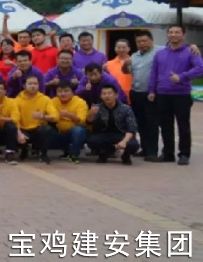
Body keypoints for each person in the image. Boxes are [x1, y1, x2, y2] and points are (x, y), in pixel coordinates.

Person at [148, 24, 203, 165]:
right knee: (165, 125)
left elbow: (200, 68)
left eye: (177, 32)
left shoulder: (191, 51)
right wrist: (152, 90)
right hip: (162, 94)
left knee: (183, 125)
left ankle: (184, 154)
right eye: (171, 32)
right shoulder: (160, 54)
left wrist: (182, 77)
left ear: (183, 35)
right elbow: (154, 73)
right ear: (167, 35)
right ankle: (168, 153)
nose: (173, 35)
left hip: (181, 94)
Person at [125, 30, 160, 160]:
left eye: (144, 41)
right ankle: (145, 149)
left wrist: (192, 46)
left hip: (151, 93)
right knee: (140, 123)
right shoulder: (134, 56)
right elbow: (126, 71)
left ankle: (152, 152)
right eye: (139, 42)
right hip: (136, 93)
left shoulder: (160, 51)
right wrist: (125, 65)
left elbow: (176, 46)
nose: (142, 44)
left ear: (151, 40)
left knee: (152, 123)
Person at [86, 85, 140, 165]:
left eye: (109, 93)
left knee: (133, 145)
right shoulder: (97, 107)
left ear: (116, 95)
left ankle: (125, 155)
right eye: (104, 94)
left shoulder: (126, 108)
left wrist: (124, 141)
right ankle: (104, 152)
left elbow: (132, 127)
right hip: (104, 134)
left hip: (122, 134)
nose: (107, 96)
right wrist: (91, 114)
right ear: (101, 96)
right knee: (92, 141)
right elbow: (89, 122)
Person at [13, 75, 56, 164]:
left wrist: (43, 116)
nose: (33, 86)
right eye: (30, 84)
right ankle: (24, 151)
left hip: (37, 129)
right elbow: (15, 118)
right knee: (11, 129)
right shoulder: (17, 100)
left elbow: (55, 116)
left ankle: (43, 154)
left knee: (47, 129)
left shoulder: (45, 99)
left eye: (35, 84)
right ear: (24, 86)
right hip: (23, 129)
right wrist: (19, 133)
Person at [49, 82, 89, 164]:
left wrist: (69, 115)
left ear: (72, 92)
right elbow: (50, 117)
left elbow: (82, 121)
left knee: (78, 130)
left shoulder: (80, 102)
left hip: (74, 131)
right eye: (59, 91)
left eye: (66, 91)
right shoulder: (53, 101)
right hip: (58, 131)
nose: (63, 94)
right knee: (45, 130)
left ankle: (73, 154)